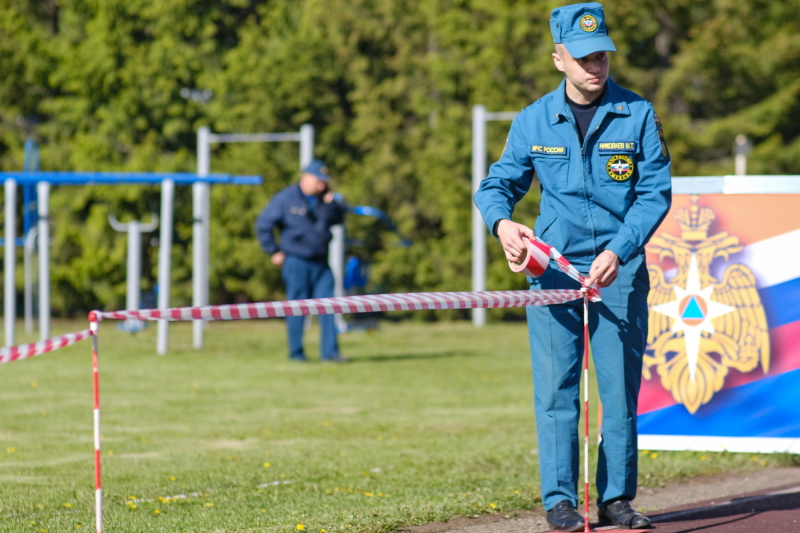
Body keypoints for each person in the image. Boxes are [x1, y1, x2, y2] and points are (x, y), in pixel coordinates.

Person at [474, 3, 672, 531]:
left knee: (619, 392)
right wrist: (503, 226)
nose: (595, 66)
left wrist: (619, 250)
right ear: (557, 58)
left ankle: (615, 499)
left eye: (602, 55)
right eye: (583, 57)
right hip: (555, 272)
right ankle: (560, 500)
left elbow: (654, 194)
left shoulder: (638, 114)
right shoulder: (532, 120)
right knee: (557, 390)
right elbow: (496, 187)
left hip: (619, 268)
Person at [256, 159, 349, 363]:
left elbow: (340, 218)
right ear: (306, 178)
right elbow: (263, 223)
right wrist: (273, 250)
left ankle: (330, 353)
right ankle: (296, 353)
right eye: (318, 181)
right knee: (297, 307)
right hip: (296, 260)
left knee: (329, 306)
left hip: (321, 262)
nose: (321, 185)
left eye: (324, 182)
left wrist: (332, 204)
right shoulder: (286, 198)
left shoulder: (325, 199)